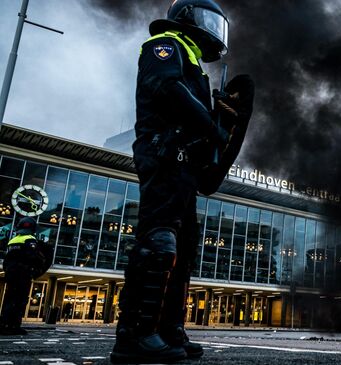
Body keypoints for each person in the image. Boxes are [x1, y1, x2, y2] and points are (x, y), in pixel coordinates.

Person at [111, 0, 253, 363]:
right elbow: (167, 88)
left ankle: (169, 329)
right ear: (188, 16)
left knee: (183, 250)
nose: (213, 29)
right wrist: (210, 120)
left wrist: (220, 122)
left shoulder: (193, 61)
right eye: (208, 19)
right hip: (164, 153)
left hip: (185, 164)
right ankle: (135, 336)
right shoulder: (166, 45)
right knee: (159, 242)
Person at [0, 217, 51, 335]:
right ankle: (14, 326)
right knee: (20, 300)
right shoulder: (30, 240)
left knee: (9, 298)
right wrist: (36, 270)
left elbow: (7, 259)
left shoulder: (13, 240)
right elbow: (34, 257)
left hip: (11, 273)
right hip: (23, 273)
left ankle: (4, 323)